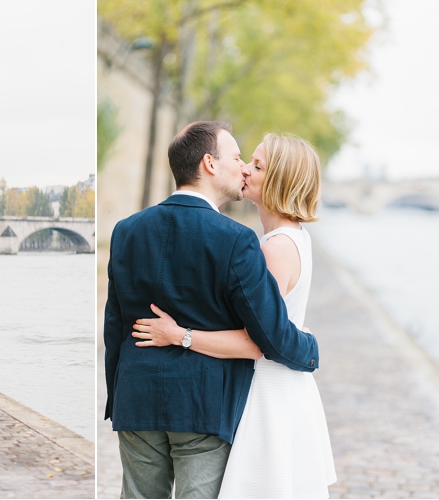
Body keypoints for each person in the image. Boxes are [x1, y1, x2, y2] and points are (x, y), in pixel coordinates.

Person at [104, 121, 320, 499]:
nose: (243, 167)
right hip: (202, 404)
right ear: (210, 164)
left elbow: (115, 323)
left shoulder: (126, 230)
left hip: (135, 396)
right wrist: (311, 349)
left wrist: (116, 393)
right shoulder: (237, 239)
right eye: (238, 158)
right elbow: (266, 335)